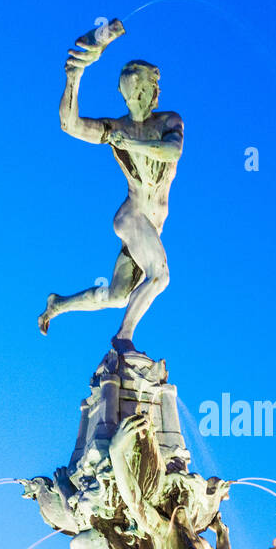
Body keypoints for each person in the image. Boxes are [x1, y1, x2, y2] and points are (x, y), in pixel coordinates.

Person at [39, 25, 183, 348]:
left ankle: (57, 304)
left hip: (150, 226)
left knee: (118, 296)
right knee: (159, 275)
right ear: (137, 92)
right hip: (132, 218)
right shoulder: (115, 128)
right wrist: (74, 76)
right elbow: (69, 124)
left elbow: (172, 150)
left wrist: (131, 142)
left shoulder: (168, 122)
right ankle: (123, 339)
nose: (155, 93)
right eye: (151, 87)